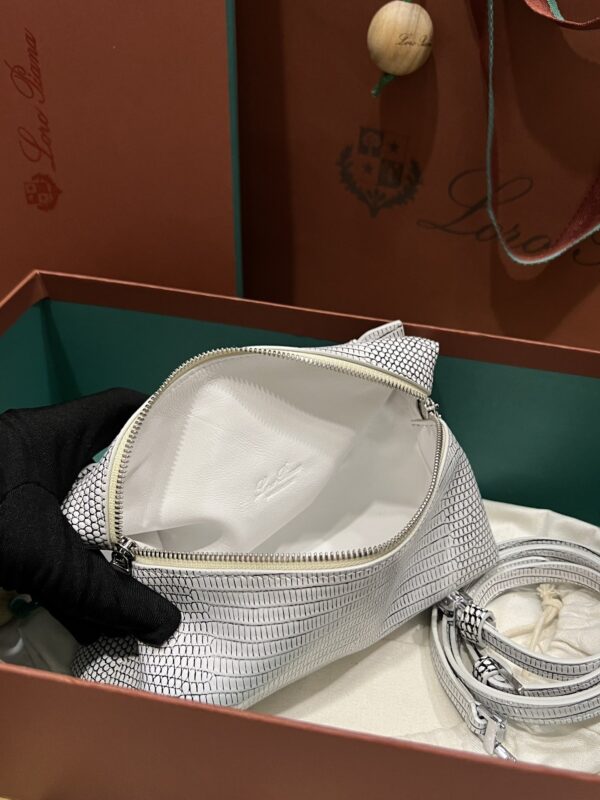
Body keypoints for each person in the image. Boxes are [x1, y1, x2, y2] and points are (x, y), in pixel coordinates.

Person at [0, 389, 181, 645]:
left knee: (103, 617)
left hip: (17, 457)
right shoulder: (19, 534)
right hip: (15, 473)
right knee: (102, 615)